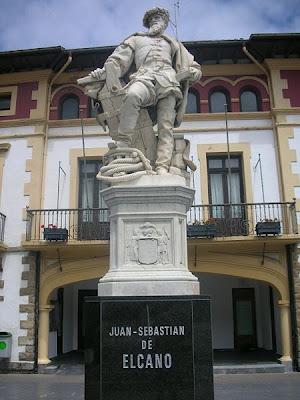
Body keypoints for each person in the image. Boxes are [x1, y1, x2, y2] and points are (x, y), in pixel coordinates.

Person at [90, 7, 202, 174]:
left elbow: (194, 67)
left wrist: (194, 72)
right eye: (153, 18)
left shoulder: (174, 43)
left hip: (169, 81)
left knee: (166, 126)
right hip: (144, 77)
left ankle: (162, 166)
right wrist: (103, 72)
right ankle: (124, 143)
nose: (157, 20)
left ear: (165, 23)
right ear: (148, 22)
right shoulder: (135, 40)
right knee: (132, 95)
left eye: (160, 18)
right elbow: (117, 62)